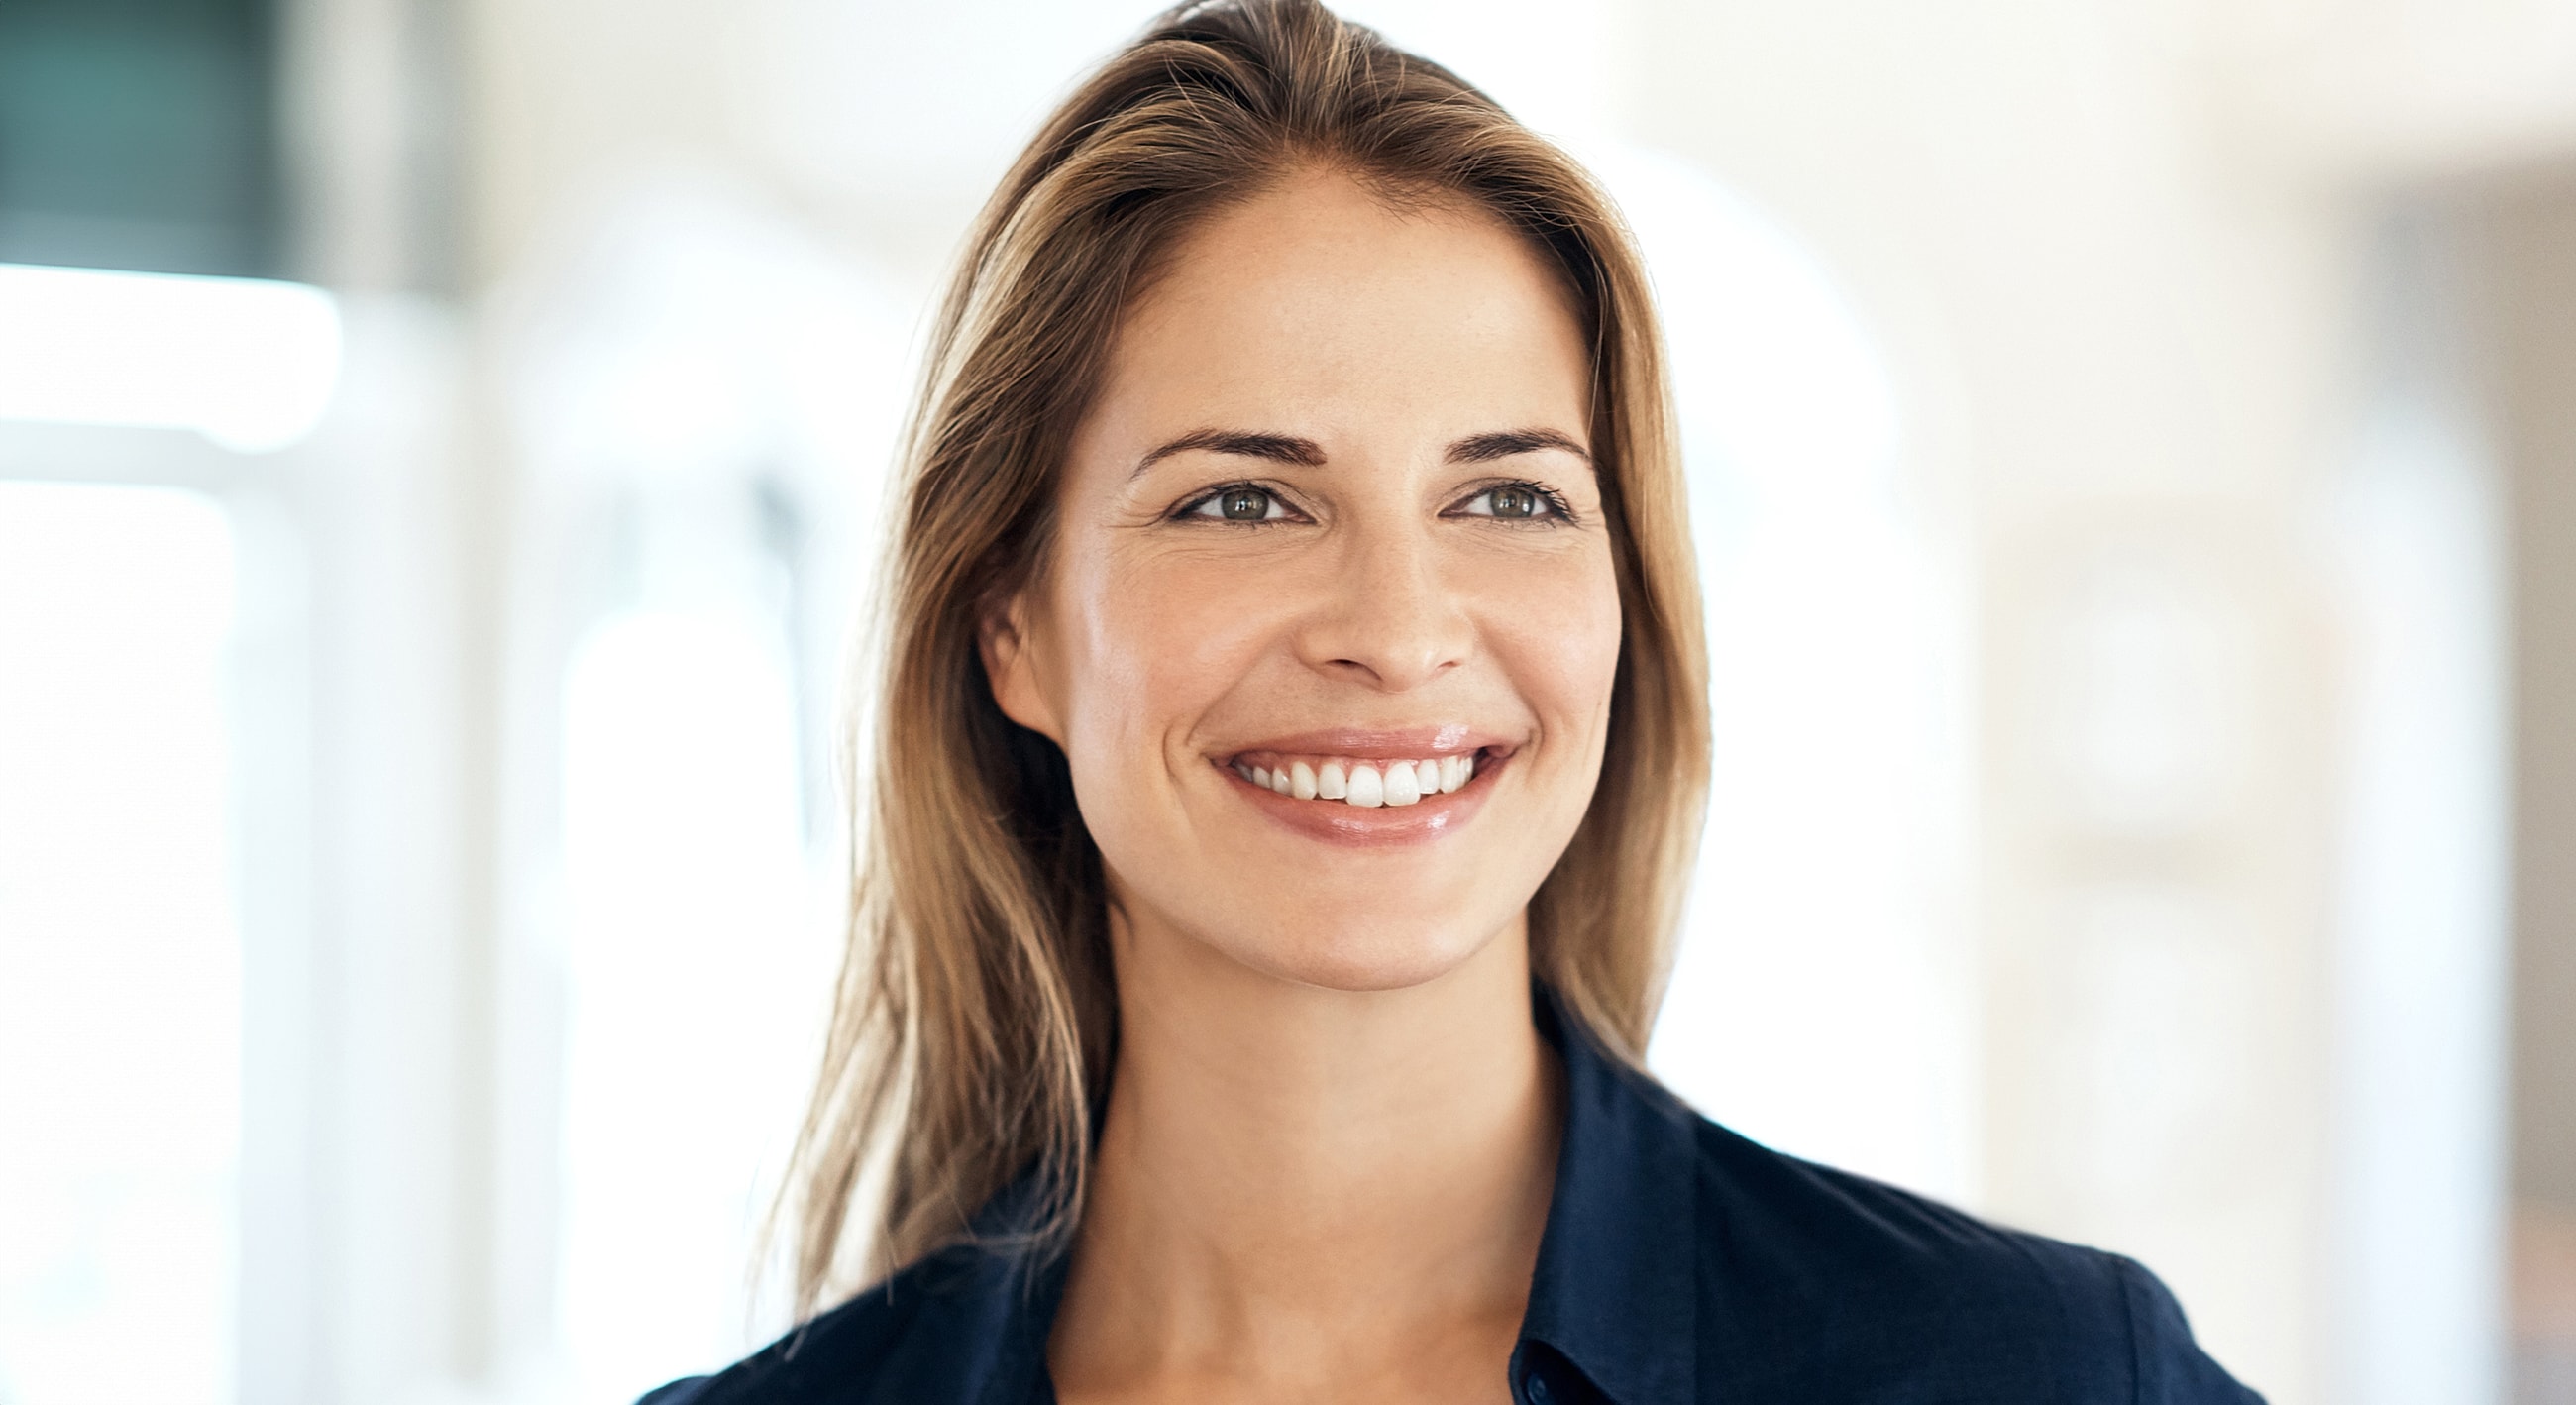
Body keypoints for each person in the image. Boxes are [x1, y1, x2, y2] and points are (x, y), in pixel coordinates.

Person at [643, 2, 2263, 1401]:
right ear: (1013, 627)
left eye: (1508, 500)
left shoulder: (2033, 1370)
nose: (1398, 630)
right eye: (1241, 501)